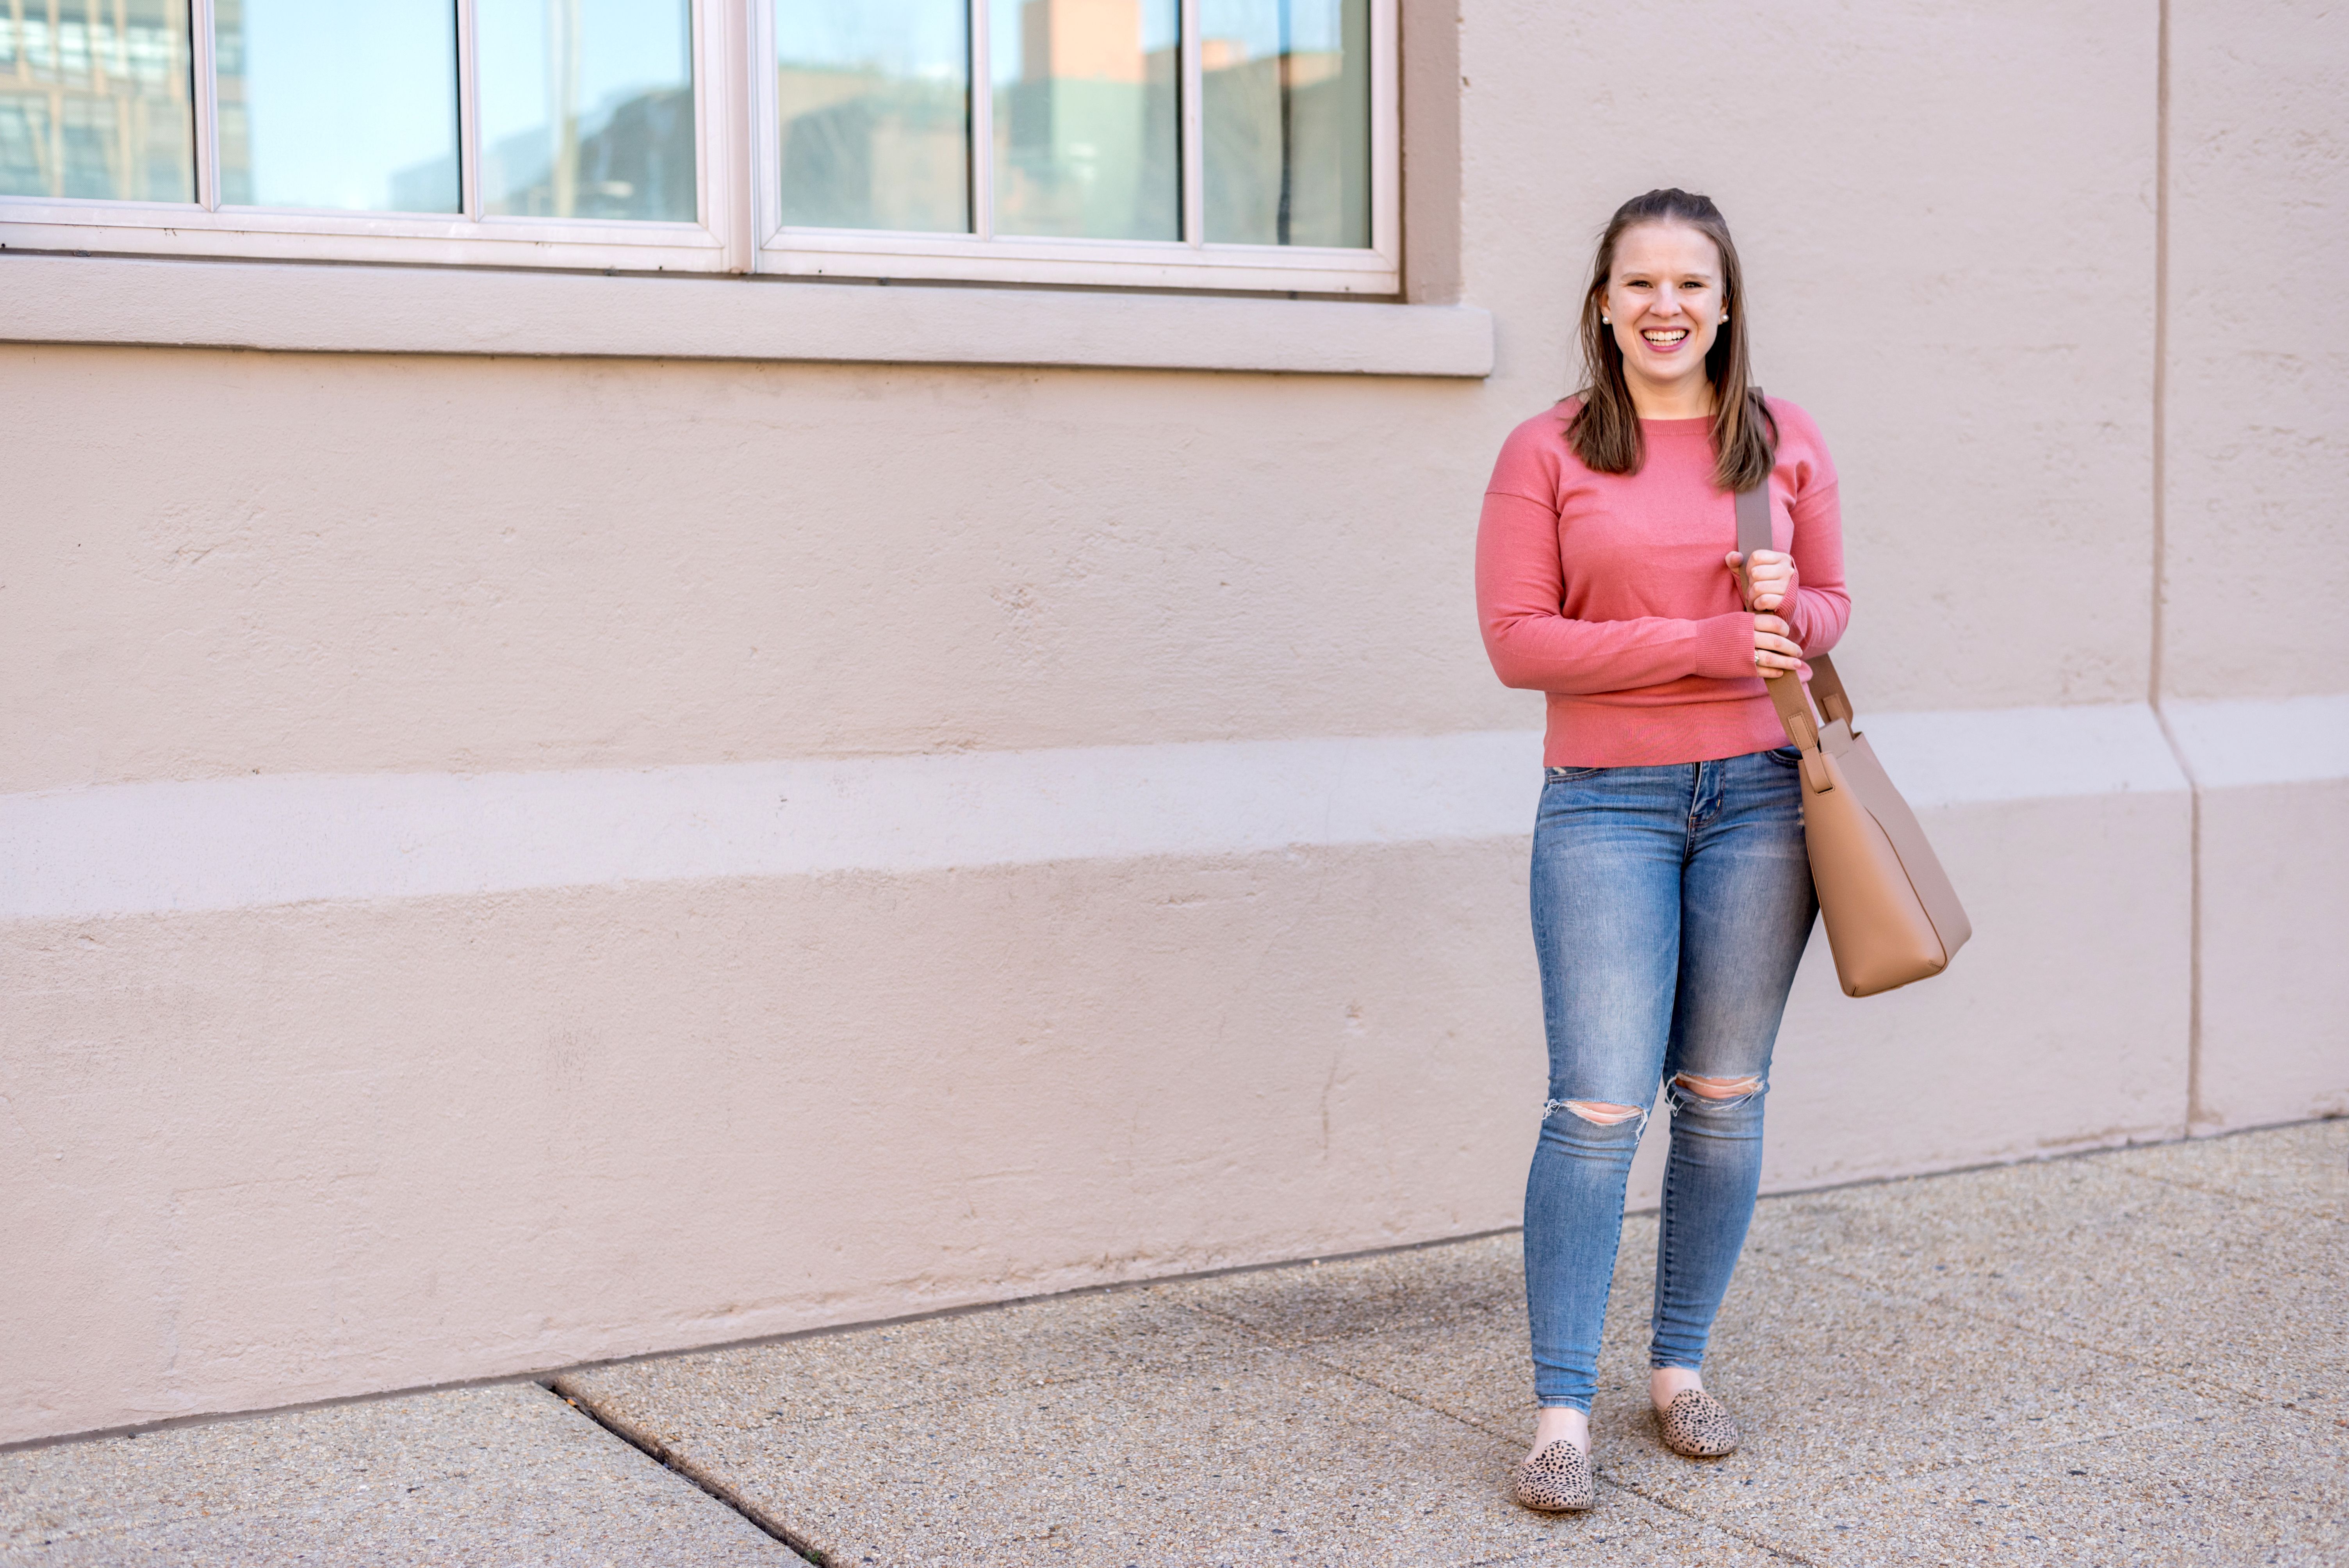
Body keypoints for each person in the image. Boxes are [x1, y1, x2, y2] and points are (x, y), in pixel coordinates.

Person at [1474, 188, 1849, 1513]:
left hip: (1760, 799)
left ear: (1726, 303)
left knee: (1725, 1095)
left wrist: (1785, 608)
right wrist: (1702, 642)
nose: (1666, 306)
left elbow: (1830, 610)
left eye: (1690, 283)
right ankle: (1561, 1407)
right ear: (1603, 305)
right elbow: (1520, 640)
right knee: (1596, 1108)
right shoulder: (1552, 449)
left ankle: (1679, 1368)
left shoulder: (1781, 441)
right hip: (1605, 804)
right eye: (1639, 284)